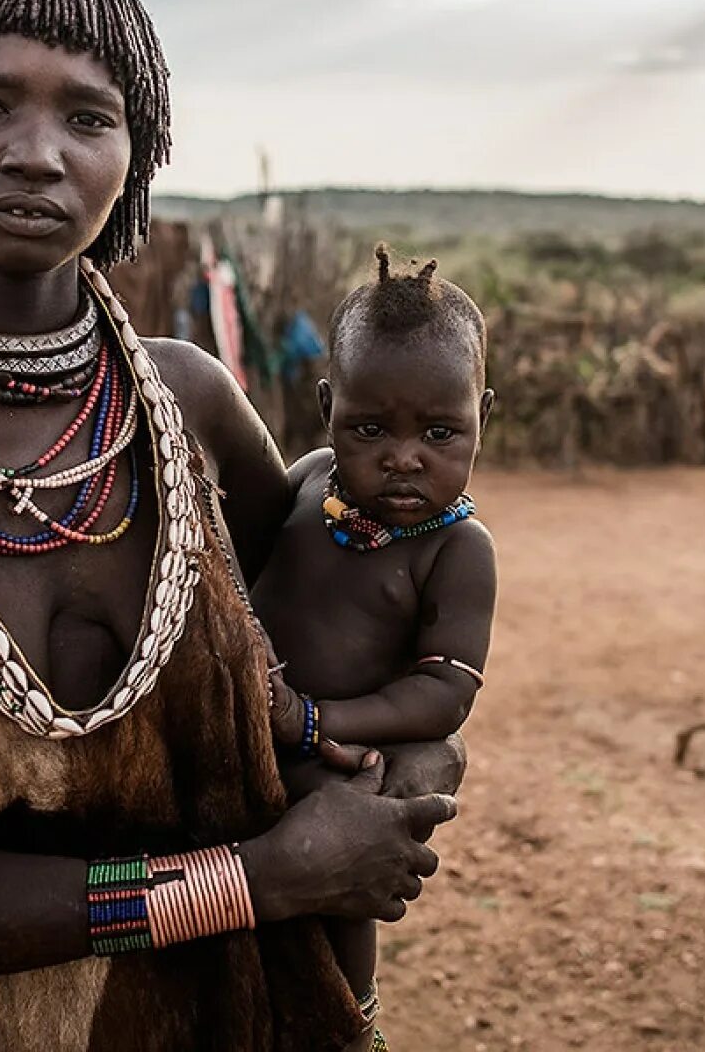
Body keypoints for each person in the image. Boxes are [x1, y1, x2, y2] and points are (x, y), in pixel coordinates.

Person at [0, 0, 459, 1052]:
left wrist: (410, 745)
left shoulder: (190, 404)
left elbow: (339, 625)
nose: (37, 155)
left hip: (266, 1016)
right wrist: (257, 881)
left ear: (137, 156)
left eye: (90, 117)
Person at [254, 247, 498, 1030]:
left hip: (330, 762)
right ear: (327, 407)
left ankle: (350, 1024)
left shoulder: (456, 550)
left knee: (341, 868)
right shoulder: (306, 480)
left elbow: (445, 691)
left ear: (482, 418)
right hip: (238, 735)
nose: (403, 457)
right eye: (369, 428)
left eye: (439, 431)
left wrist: (315, 720)